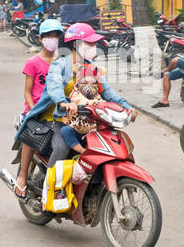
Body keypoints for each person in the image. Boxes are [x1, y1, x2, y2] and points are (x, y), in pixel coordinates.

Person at [14, 22, 138, 198]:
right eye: (89, 43)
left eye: (94, 44)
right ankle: (53, 190)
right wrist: (64, 103)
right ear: (75, 44)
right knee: (61, 147)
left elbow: (107, 91)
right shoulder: (59, 65)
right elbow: (54, 87)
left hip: (87, 121)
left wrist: (126, 106)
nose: (93, 47)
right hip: (62, 120)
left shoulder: (90, 68)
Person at [14, 19, 64, 199]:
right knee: (32, 136)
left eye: (55, 36)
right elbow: (27, 91)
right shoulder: (33, 62)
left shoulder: (63, 61)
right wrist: (32, 111)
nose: (52, 39)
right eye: (49, 36)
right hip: (36, 110)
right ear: (41, 38)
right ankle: (22, 174)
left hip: (58, 110)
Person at [60, 64, 104, 156]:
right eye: (84, 82)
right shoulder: (75, 93)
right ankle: (82, 151)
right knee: (65, 131)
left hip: (91, 130)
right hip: (76, 128)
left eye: (93, 83)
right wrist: (92, 103)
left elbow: (103, 103)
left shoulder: (97, 96)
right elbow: (81, 101)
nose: (89, 86)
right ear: (78, 83)